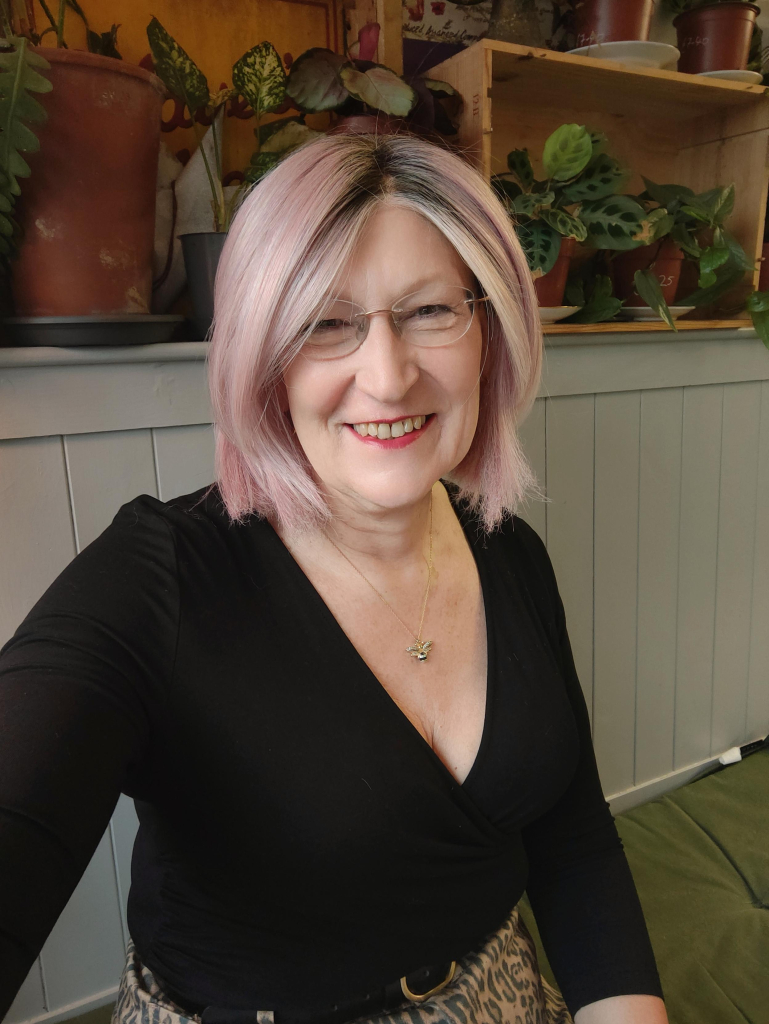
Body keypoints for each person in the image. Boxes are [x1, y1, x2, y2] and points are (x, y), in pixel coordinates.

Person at [0, 132, 668, 1024]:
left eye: (431, 310)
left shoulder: (509, 553)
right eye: (324, 321)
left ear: (489, 330)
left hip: (494, 994)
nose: (387, 376)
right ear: (260, 351)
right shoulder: (154, 580)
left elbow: (571, 839)